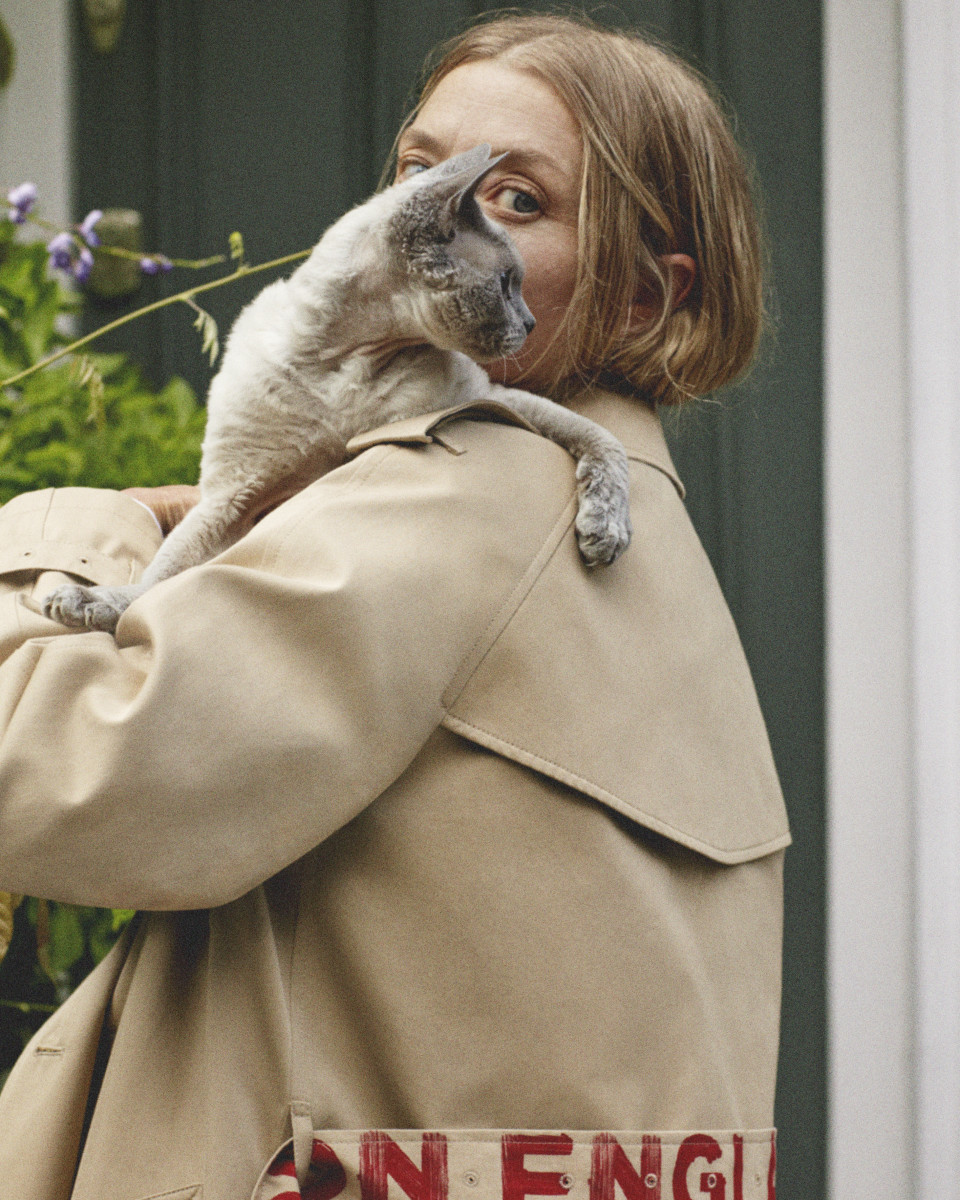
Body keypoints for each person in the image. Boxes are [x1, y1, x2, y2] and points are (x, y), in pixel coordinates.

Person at [0, 13, 789, 1200]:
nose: (435, 218)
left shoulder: (463, 496)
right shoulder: (634, 534)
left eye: (516, 200)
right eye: (421, 171)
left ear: (638, 299)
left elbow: (43, 771)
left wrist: (95, 524)